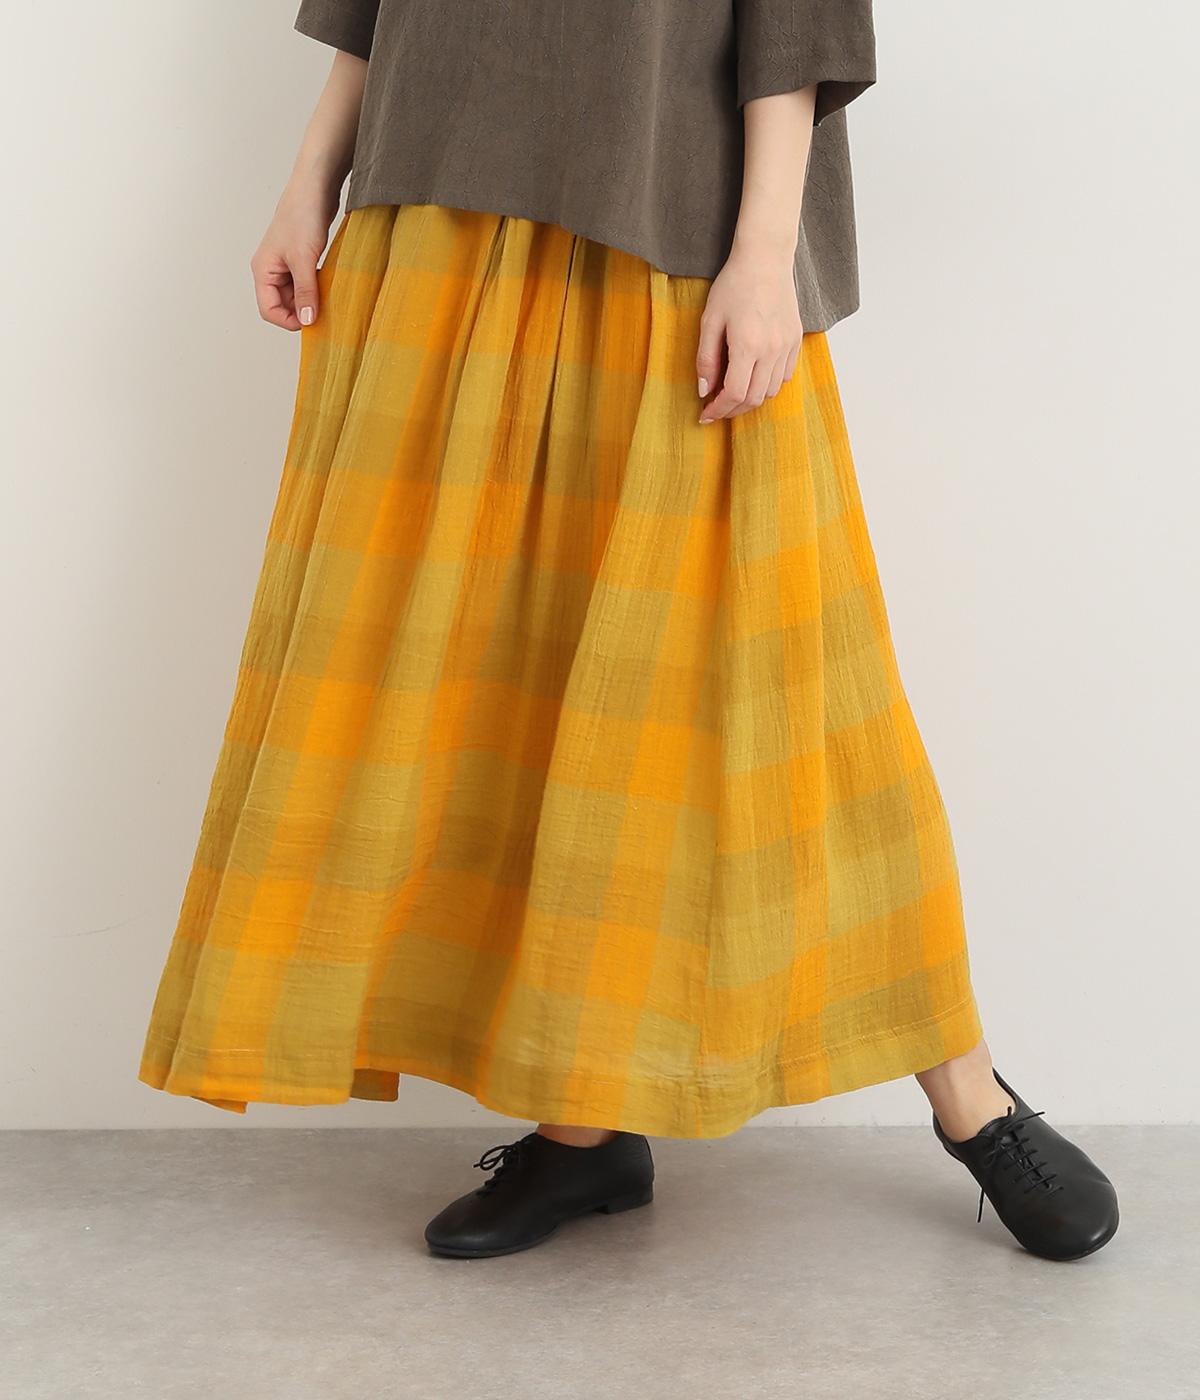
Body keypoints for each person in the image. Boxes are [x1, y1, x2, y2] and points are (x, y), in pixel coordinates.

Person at [139, 0, 1119, 1263]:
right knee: (509, 679)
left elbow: (795, 26)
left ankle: (969, 1091)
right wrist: (306, 183)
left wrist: (763, 257)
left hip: (669, 226)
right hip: (430, 218)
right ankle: (584, 1125)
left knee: (775, 682)